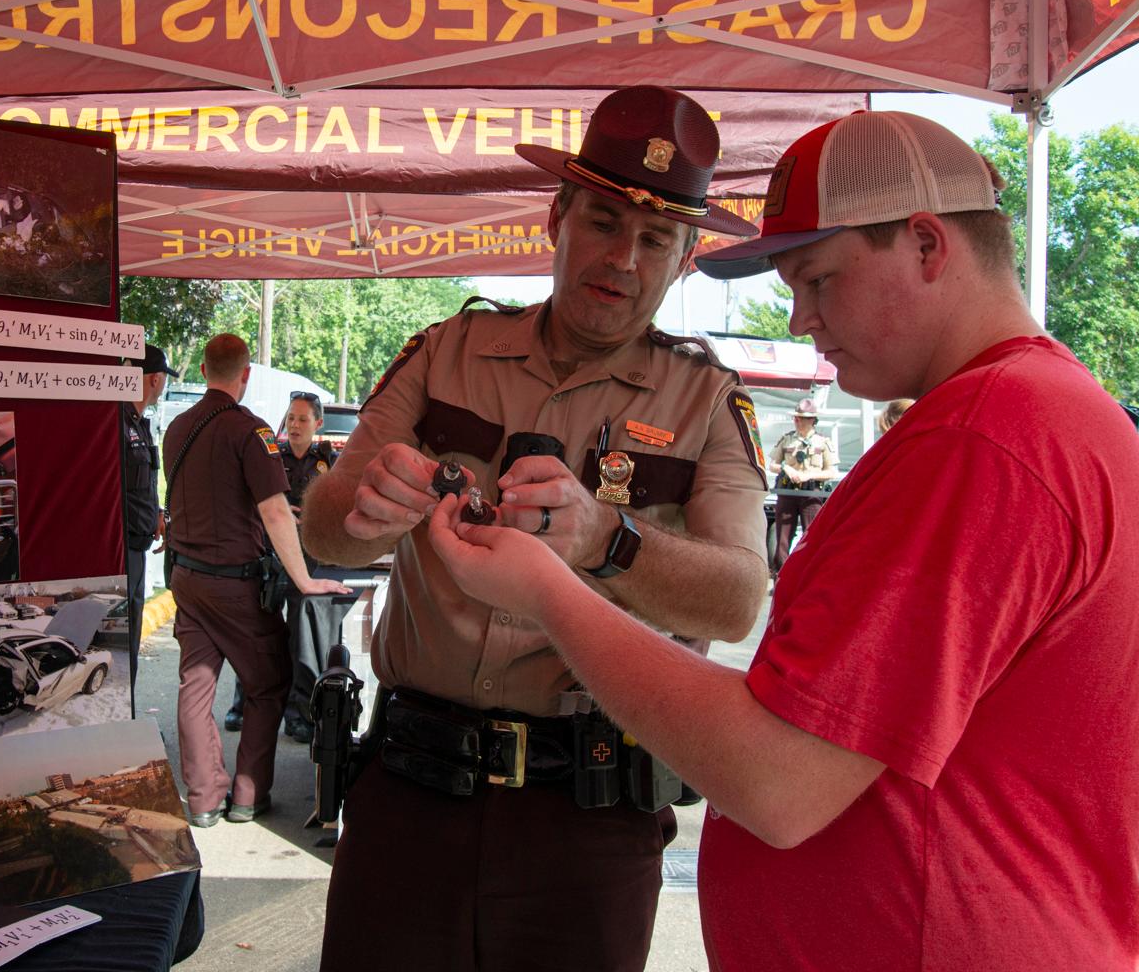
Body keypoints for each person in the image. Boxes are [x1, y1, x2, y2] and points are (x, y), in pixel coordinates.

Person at [418, 110, 1139, 971]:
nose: (802, 318)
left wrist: (546, 589)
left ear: (927, 246)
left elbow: (777, 778)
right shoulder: (1039, 414)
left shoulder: (985, 435)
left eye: (817, 279)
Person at [301, 86, 769, 972]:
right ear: (556, 216)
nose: (622, 258)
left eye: (655, 240)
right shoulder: (445, 352)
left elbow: (740, 597)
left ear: (685, 259)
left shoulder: (706, 400)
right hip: (409, 796)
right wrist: (369, 508)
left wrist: (606, 540)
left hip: (587, 821)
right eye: (601, 220)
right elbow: (325, 529)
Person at [165, 334, 350, 829]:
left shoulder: (176, 427)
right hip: (235, 584)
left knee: (196, 685)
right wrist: (305, 581)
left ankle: (203, 799)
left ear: (203, 369)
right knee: (268, 684)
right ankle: (247, 795)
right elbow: (275, 512)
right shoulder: (251, 433)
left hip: (187, 579)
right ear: (245, 375)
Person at [225, 390, 342, 740]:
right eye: (291, 417)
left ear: (317, 424)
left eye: (302, 419)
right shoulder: (272, 455)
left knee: (299, 641)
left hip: (308, 560)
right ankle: (241, 706)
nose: (294, 425)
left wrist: (313, 515)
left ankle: (297, 715)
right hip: (269, 556)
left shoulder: (328, 462)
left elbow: (338, 508)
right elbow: (251, 500)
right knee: (257, 633)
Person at [120, 342, 178, 699]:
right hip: (119, 548)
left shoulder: (140, 423)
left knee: (130, 631)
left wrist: (156, 513)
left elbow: (140, 486)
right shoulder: (115, 420)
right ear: (155, 380)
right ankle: (123, 714)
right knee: (121, 636)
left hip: (138, 545)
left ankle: (129, 709)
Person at [766, 397, 835, 570]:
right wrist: (785, 468)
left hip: (811, 495)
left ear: (812, 420)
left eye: (801, 418)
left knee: (812, 538)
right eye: (795, 418)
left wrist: (809, 475)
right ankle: (779, 577)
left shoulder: (822, 442)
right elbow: (772, 464)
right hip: (788, 492)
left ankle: (808, 575)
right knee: (782, 539)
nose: (797, 421)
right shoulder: (788, 439)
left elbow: (831, 472)